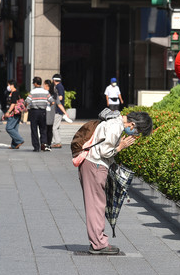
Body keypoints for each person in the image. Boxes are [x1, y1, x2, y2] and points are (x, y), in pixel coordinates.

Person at [78, 111, 152, 255]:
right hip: (96, 165)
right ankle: (98, 244)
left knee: (97, 204)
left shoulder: (114, 123)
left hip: (93, 164)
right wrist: (121, 146)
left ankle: (98, 241)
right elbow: (105, 152)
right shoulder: (115, 126)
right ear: (133, 124)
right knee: (96, 205)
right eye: (137, 132)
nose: (135, 135)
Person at [25, 76, 54, 152]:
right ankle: (43, 145)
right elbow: (52, 101)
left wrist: (27, 107)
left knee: (34, 129)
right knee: (43, 129)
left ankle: (36, 147)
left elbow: (27, 101)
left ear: (35, 83)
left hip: (34, 112)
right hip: (43, 112)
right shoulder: (45, 92)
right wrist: (47, 106)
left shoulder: (32, 92)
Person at [51, 73, 72, 148]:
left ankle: (57, 142)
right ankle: (55, 141)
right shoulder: (59, 86)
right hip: (58, 109)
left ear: (54, 80)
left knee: (54, 127)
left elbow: (60, 97)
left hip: (58, 109)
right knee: (56, 127)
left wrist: (53, 99)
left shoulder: (59, 86)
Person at [2, 79, 24, 149]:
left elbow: (13, 104)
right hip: (17, 113)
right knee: (14, 128)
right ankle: (14, 145)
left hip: (13, 113)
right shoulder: (14, 92)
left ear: (12, 85)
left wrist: (8, 112)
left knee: (9, 128)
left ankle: (19, 140)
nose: (8, 87)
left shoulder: (14, 93)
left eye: (8, 85)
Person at [43, 79, 56, 151]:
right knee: (49, 130)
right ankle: (49, 144)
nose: (43, 86)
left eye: (44, 85)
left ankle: (45, 144)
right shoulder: (54, 94)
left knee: (44, 129)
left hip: (45, 113)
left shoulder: (45, 94)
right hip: (51, 114)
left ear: (47, 85)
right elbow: (58, 103)